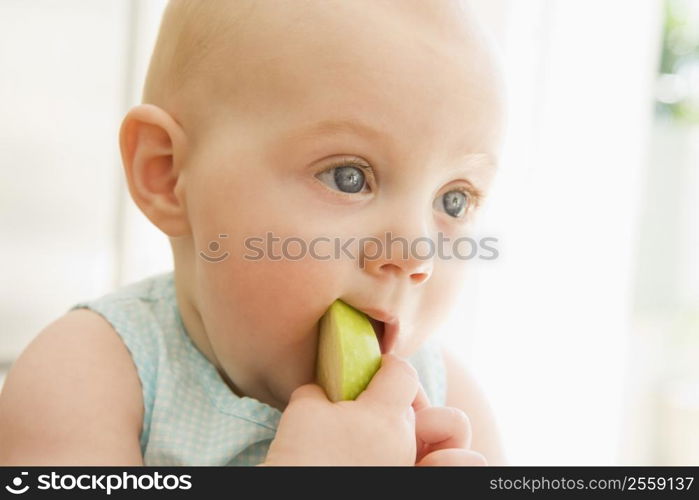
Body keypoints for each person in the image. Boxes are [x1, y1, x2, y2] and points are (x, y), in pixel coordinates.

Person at [0, 0, 507, 465]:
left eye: (454, 200)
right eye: (348, 177)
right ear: (169, 175)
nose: (416, 253)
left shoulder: (449, 404)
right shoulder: (87, 379)